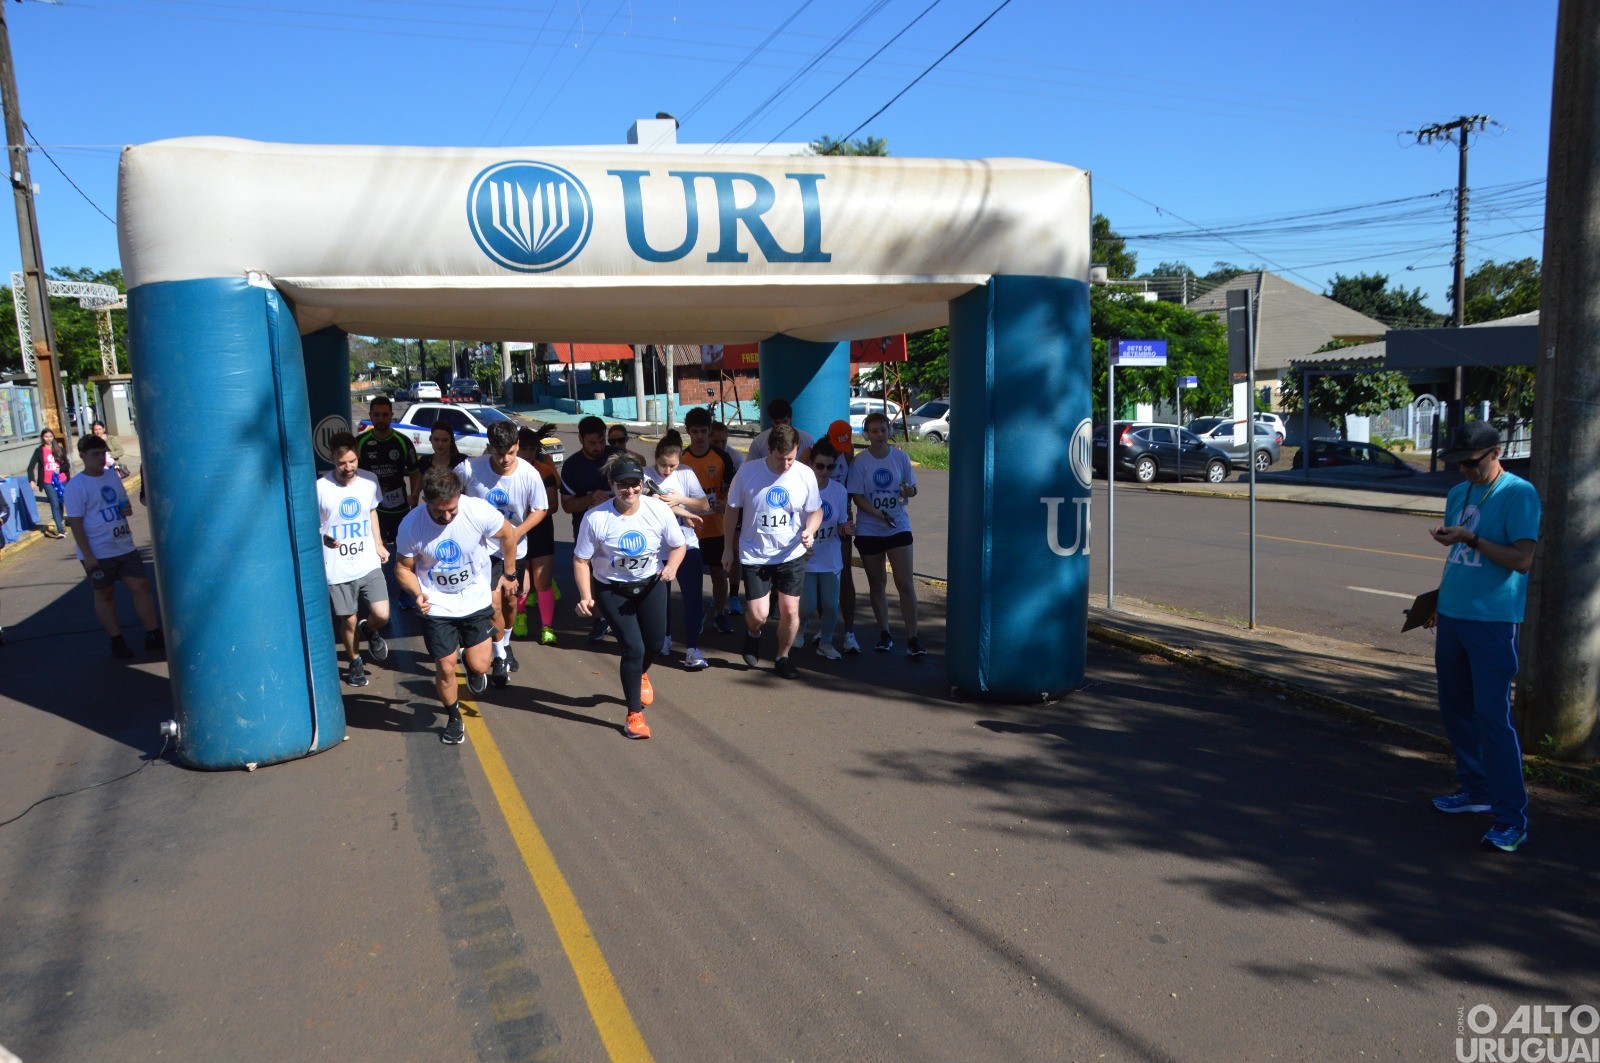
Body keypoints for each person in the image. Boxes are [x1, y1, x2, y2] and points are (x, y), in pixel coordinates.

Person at [1425, 422, 1541, 853]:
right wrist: (1438, 601)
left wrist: (1472, 538)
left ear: (1496, 452)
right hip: (1453, 614)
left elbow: (1522, 560)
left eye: (1471, 462)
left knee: (1493, 717)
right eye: (1457, 464)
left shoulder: (1519, 494)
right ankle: (1475, 790)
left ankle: (1511, 819)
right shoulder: (1459, 493)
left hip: (1493, 620)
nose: (1465, 471)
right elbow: (1458, 556)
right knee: (1456, 709)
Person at [395, 467, 519, 746]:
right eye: (440, 512)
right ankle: (453, 717)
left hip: (474, 597)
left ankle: (473, 666)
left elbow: (508, 535)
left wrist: (509, 573)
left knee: (481, 664)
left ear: (459, 497)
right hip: (437, 604)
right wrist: (417, 593)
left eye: (452, 510)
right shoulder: (411, 525)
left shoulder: (477, 511)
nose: (448, 517)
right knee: (445, 666)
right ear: (426, 501)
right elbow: (403, 568)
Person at [573, 455, 686, 738]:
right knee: (633, 648)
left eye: (635, 484)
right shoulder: (596, 518)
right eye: (623, 485)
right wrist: (586, 597)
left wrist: (672, 567)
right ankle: (634, 714)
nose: (630, 490)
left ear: (643, 484)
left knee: (655, 644)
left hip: (651, 584)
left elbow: (678, 545)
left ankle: (640, 673)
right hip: (612, 589)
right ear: (612, 484)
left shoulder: (657, 510)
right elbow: (581, 560)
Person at [722, 423, 822, 679]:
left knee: (790, 610)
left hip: (791, 553)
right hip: (755, 553)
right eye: (781, 458)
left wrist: (810, 530)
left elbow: (816, 510)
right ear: (769, 450)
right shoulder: (748, 472)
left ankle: (782, 657)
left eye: (791, 458)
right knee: (759, 615)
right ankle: (753, 633)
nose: (786, 464)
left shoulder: (805, 474)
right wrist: (728, 549)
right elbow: (731, 510)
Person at [455, 420, 548, 686]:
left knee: (509, 602)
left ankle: (504, 643)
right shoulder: (468, 469)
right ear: (489, 448)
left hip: (513, 548)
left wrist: (517, 532)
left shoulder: (529, 474)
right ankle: (497, 657)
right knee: (494, 602)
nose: (505, 459)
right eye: (499, 453)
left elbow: (541, 508)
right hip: (480, 549)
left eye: (511, 452)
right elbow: (448, 495)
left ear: (517, 446)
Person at [63, 434, 164, 658]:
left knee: (142, 587)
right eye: (95, 454)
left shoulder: (111, 476)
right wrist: (88, 555)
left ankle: (152, 633)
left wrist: (126, 510)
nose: (101, 458)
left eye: (103, 453)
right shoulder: (76, 486)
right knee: (105, 594)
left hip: (124, 545)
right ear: (83, 456)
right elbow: (75, 522)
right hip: (98, 551)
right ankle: (116, 640)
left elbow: (123, 504)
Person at [316, 433, 391, 687]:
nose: (348, 467)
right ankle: (355, 660)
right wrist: (324, 538)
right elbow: (314, 525)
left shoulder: (369, 481)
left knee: (382, 614)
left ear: (357, 455)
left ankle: (369, 629)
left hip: (367, 561)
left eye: (352, 461)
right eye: (342, 463)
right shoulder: (320, 488)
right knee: (348, 620)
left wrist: (378, 544)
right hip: (338, 567)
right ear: (331, 459)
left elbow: (372, 512)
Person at [848, 410, 924, 656]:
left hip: (898, 526)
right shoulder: (861, 462)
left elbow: (912, 488)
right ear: (866, 434)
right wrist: (877, 513)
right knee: (877, 582)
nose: (880, 435)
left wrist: (909, 491)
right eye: (874, 431)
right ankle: (885, 633)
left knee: (905, 583)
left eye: (883, 429)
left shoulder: (901, 457)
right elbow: (857, 497)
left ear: (889, 431)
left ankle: (913, 638)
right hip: (870, 529)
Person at [644, 430, 712, 670]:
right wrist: (685, 512)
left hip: (686, 543)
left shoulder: (685, 473)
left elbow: (704, 504)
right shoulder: (645, 476)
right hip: (657, 547)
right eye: (663, 465)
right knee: (661, 599)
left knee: (692, 597)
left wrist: (682, 499)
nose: (667, 470)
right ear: (656, 458)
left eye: (672, 465)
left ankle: (693, 648)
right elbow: (657, 504)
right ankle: (665, 638)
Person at [358, 396, 422, 607]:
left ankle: (406, 592)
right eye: (376, 415)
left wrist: (414, 495)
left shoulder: (402, 441)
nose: (381, 419)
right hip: (372, 510)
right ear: (370, 416)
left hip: (399, 508)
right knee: (373, 551)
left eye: (385, 415)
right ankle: (375, 593)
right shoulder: (360, 443)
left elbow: (415, 471)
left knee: (404, 551)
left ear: (391, 416)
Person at [561, 415, 616, 644]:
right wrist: (591, 498)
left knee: (618, 570)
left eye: (602, 442)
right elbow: (567, 506)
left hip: (617, 528)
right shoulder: (572, 466)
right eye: (592, 443)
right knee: (592, 572)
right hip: (586, 529)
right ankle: (600, 618)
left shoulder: (616, 457)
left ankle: (619, 617)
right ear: (580, 439)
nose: (598, 447)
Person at [681, 407, 736, 633]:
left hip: (715, 527)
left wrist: (726, 501)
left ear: (709, 430)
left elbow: (734, 486)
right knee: (692, 576)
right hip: (690, 529)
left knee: (718, 573)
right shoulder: (681, 459)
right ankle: (697, 614)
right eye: (694, 432)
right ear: (687, 431)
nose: (699, 436)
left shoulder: (722, 457)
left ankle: (720, 613)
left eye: (703, 431)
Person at [801, 440, 853, 660]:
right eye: (820, 466)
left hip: (830, 556)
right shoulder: (801, 488)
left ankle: (826, 643)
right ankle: (799, 628)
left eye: (830, 467)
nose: (824, 471)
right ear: (811, 464)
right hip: (807, 557)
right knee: (808, 605)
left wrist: (846, 528)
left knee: (831, 605)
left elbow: (841, 523)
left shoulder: (839, 491)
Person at [517, 425, 562, 646]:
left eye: (532, 449)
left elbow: (553, 505)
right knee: (521, 583)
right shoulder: (507, 472)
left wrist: (533, 512)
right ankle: (520, 616)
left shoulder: (544, 472)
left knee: (543, 582)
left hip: (541, 531)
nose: (527, 454)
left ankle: (547, 627)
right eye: (523, 449)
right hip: (517, 534)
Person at [824, 418, 863, 654]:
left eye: (844, 444)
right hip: (819, 520)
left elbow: (853, 488)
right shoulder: (816, 454)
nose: (841, 449)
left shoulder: (849, 454)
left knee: (845, 573)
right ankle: (823, 629)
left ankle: (850, 632)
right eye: (837, 445)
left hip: (842, 519)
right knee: (820, 574)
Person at [26, 428, 69, 538]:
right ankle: (60, 529)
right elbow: (30, 467)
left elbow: (66, 464)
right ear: (42, 438)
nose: (48, 439)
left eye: (50, 436)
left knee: (61, 502)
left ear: (53, 437)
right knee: (54, 503)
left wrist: (60, 469)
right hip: (48, 481)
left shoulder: (59, 449)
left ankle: (60, 522)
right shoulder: (39, 451)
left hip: (61, 480)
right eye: (46, 437)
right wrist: (32, 481)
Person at [746, 398, 814, 463]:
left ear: (790, 419)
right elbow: (749, 467)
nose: (781, 426)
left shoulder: (807, 440)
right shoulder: (759, 442)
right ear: (771, 421)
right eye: (777, 423)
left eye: (785, 421)